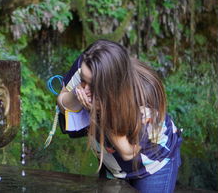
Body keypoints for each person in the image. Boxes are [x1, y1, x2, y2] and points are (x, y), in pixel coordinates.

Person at [57, 39, 182, 193]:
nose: (86, 88)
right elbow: (62, 103)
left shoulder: (143, 97)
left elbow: (128, 151)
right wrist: (76, 94)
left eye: (93, 85)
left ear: (111, 85)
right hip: (112, 163)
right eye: (83, 80)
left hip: (152, 162)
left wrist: (99, 114)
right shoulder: (87, 65)